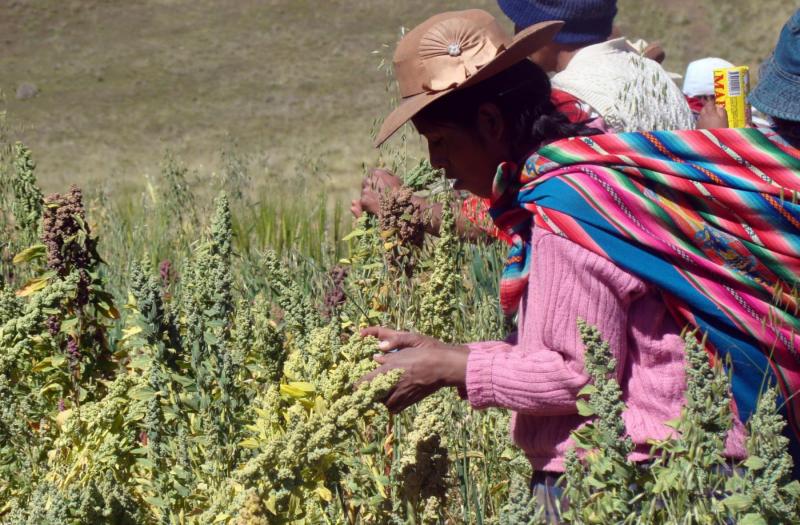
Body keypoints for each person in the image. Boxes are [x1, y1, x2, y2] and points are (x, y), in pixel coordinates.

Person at [354, 9, 800, 520]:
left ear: (491, 123)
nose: (437, 164)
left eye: (441, 142)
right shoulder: (580, 178)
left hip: (644, 478)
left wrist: (447, 366)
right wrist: (446, 351)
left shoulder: (566, 204)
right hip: (677, 464)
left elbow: (577, 375)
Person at [498, 0, 694, 133]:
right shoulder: (655, 74)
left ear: (546, 29)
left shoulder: (570, 102)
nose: (516, 35)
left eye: (521, 23)